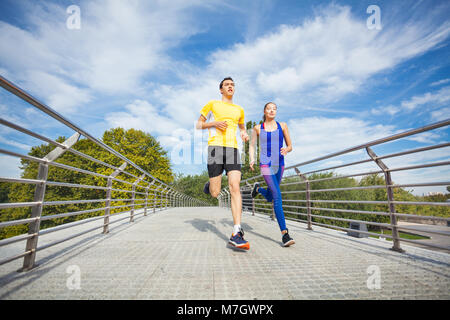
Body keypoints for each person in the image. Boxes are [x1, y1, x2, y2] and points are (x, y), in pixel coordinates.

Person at [196, 77, 250, 250]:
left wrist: (244, 134)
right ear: (221, 89)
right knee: (215, 192)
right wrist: (214, 123)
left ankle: (236, 232)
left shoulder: (239, 109)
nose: (230, 87)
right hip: (215, 148)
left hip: (233, 149)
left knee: (235, 186)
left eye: (233, 85)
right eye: (227, 85)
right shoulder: (212, 104)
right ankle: (210, 185)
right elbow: (199, 124)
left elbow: (242, 127)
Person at [249, 102, 295, 247]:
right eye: (269, 108)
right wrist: (252, 159)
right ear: (264, 111)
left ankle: (258, 189)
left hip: (279, 164)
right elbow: (251, 145)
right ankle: (285, 234)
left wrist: (287, 150)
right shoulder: (257, 128)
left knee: (270, 196)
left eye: (274, 109)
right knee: (277, 196)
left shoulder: (283, 126)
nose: (272, 110)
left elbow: (290, 146)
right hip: (266, 164)